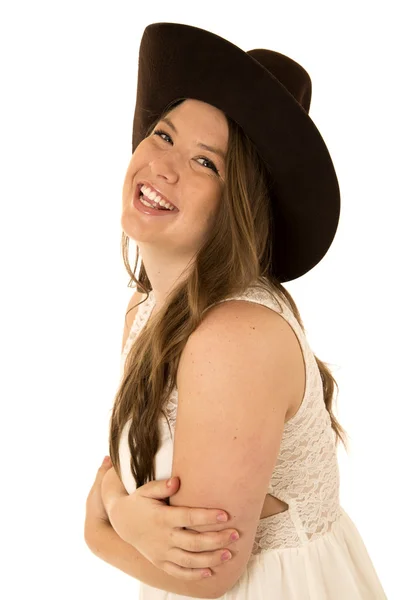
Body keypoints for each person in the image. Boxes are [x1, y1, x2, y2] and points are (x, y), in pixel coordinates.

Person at [95, 23, 388, 599]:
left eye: (206, 162)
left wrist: (100, 529)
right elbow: (122, 466)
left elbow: (210, 573)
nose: (164, 165)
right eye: (162, 134)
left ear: (239, 207)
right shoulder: (146, 310)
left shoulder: (234, 338)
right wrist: (116, 504)